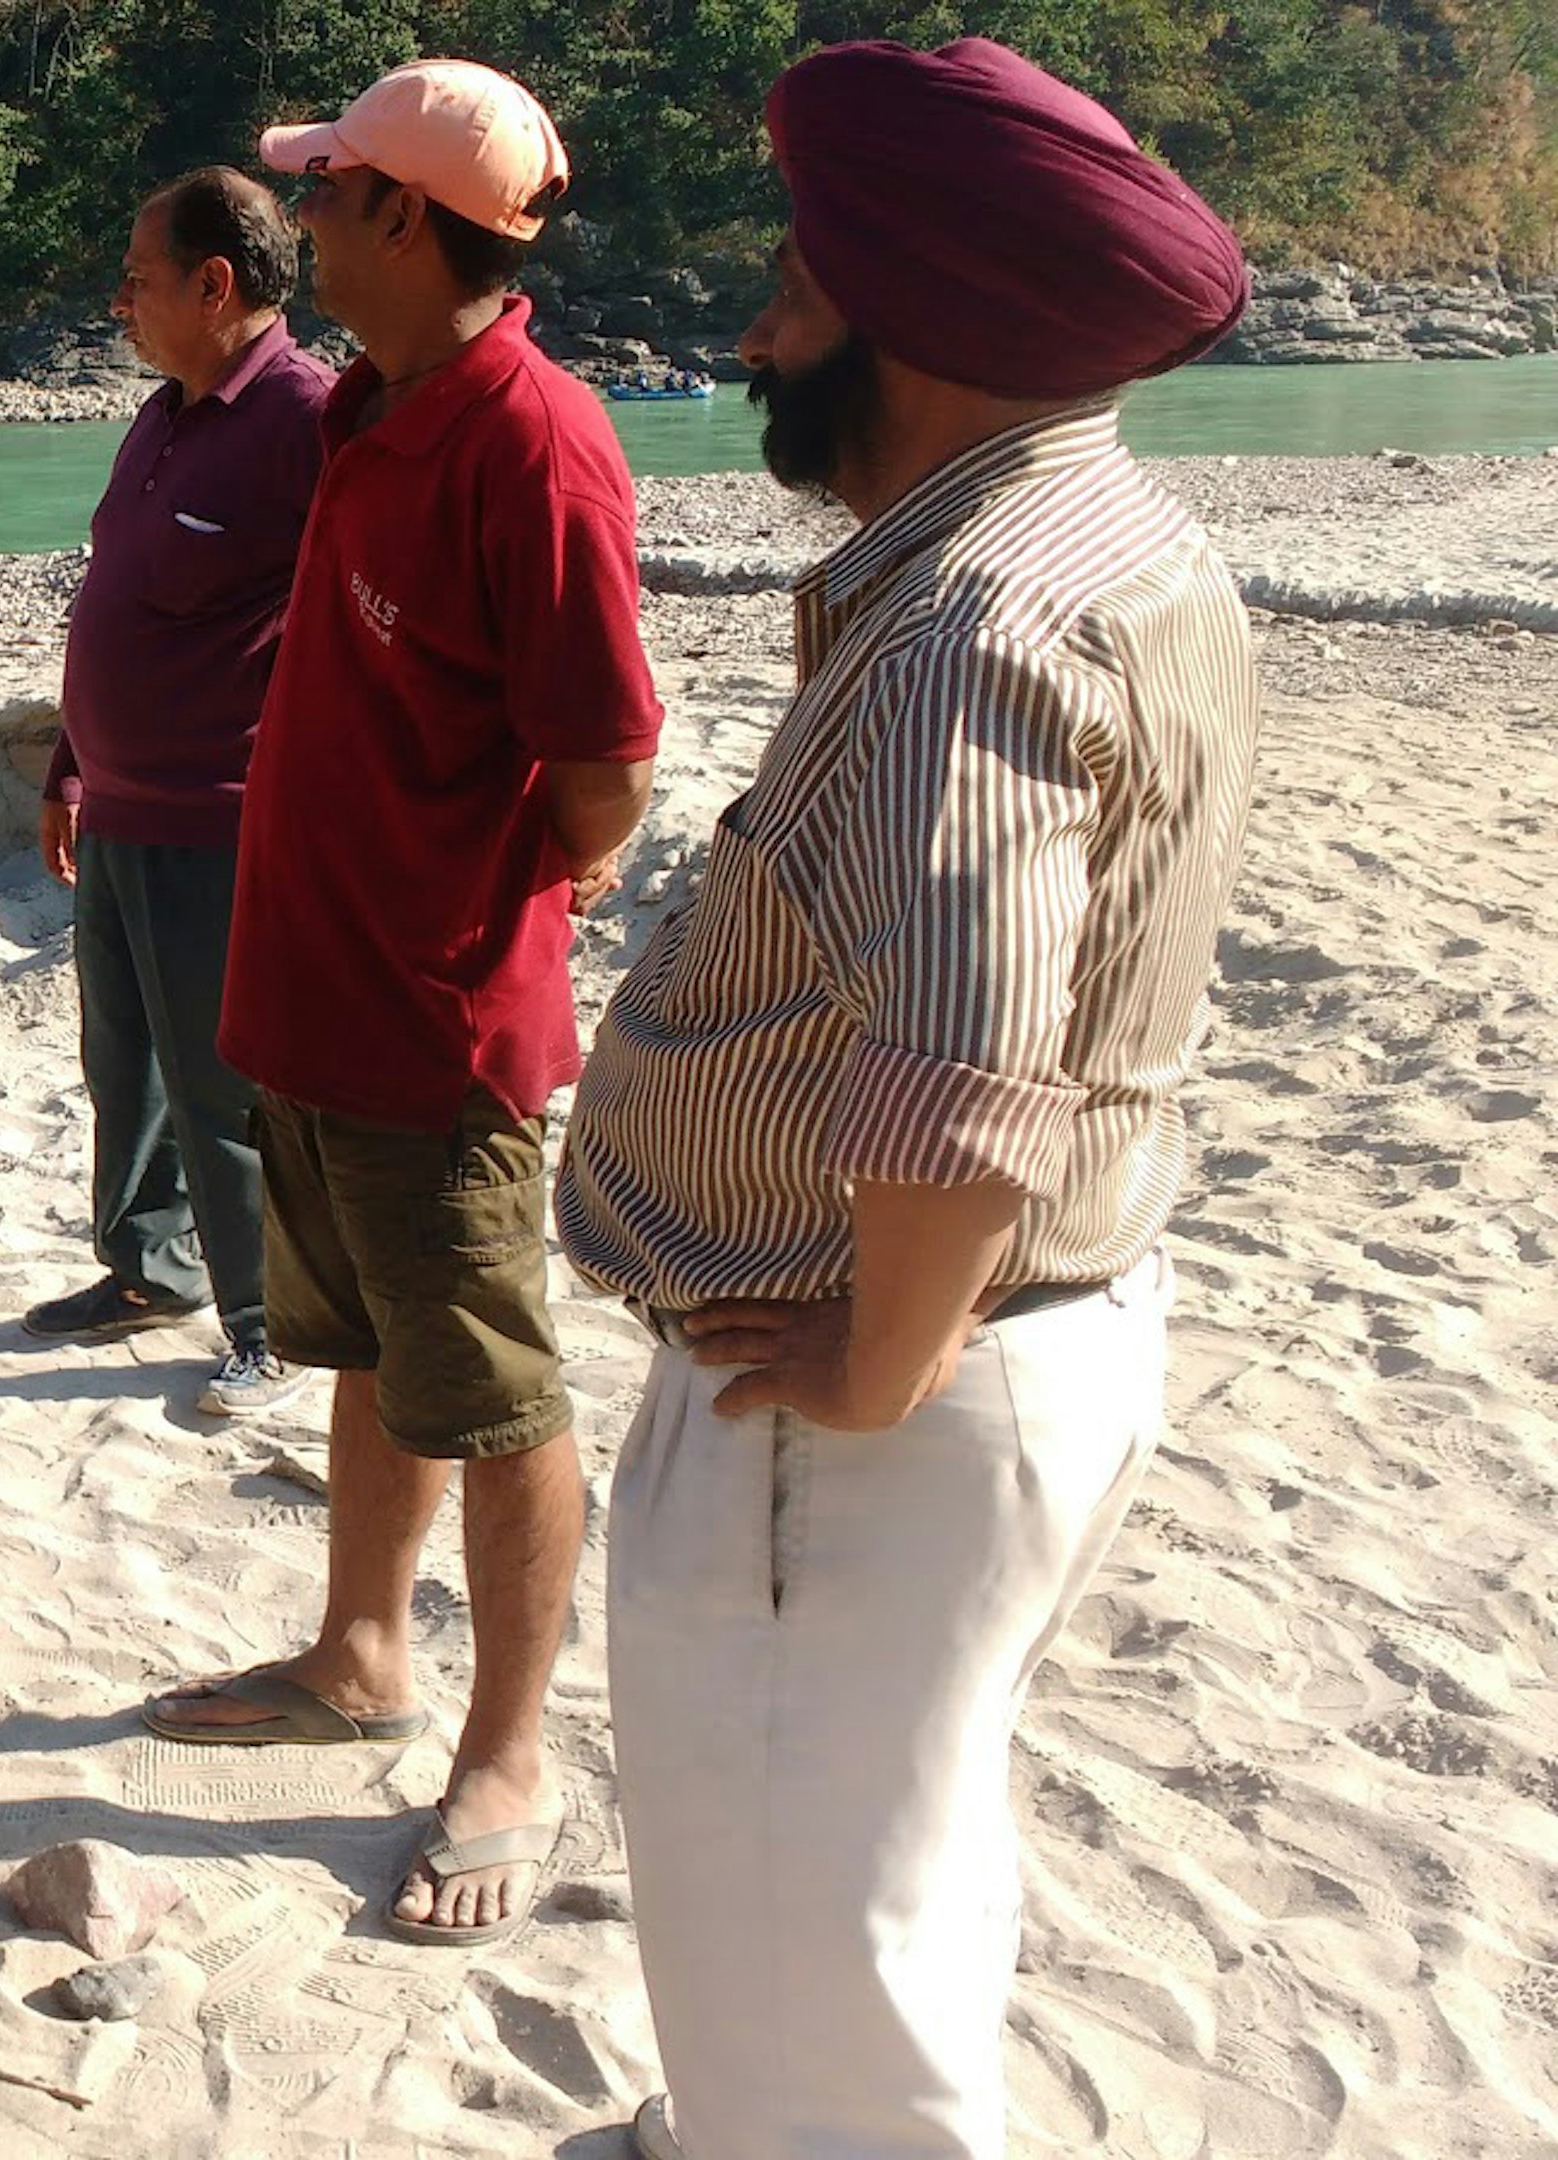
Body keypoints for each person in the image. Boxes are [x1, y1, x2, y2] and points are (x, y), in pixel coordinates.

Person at [560, 40, 1258, 2159]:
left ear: (923, 318)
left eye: (800, 274)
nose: (762, 325)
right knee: (887, 1891)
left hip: (869, 1401)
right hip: (1022, 1345)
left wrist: (870, 1370)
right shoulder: (1111, 528)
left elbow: (969, 1064)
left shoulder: (967, 623)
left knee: (808, 1993)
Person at [139, 60, 665, 1955]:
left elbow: (605, 758)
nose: (307, 217)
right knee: (367, 1348)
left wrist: (533, 880)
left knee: (497, 1391)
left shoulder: (534, 444)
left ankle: (508, 1751)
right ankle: (363, 1653)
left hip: (440, 1025)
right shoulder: (377, 403)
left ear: (404, 223)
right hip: (318, 1005)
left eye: (334, 189)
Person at [21, 164, 334, 1418]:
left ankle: (270, 1322)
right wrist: (67, 760)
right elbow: (118, 603)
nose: (121, 302)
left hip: (223, 817)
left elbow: (362, 623)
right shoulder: (163, 414)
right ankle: (147, 1271)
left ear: (216, 285)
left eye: (141, 280)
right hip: (119, 809)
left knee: (223, 1086)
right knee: (125, 1066)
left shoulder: (305, 420)